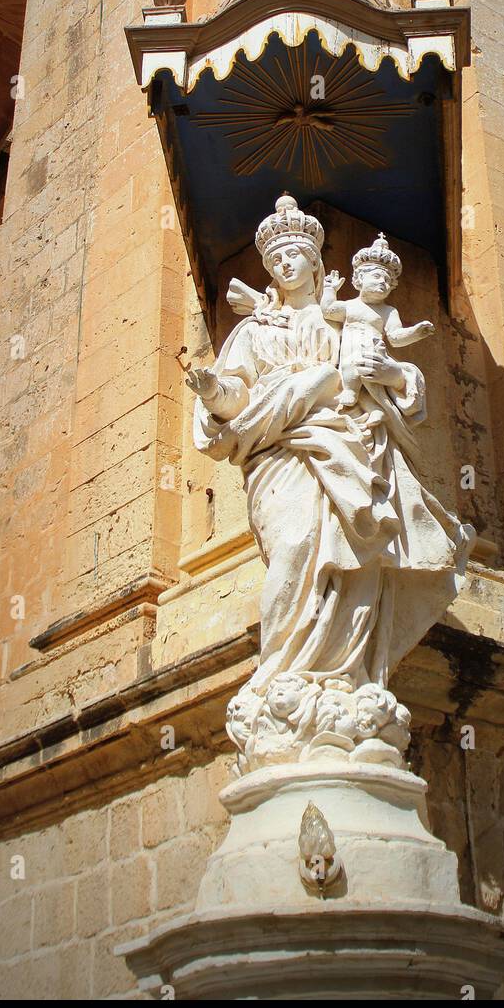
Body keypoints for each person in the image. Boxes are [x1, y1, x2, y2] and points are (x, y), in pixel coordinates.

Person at [185, 194, 475, 703]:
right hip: (278, 454)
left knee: (355, 553)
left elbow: (392, 371)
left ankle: (343, 674)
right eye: (275, 260)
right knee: (294, 545)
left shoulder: (340, 321)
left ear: (316, 262)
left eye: (293, 254)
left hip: (344, 445)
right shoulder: (252, 330)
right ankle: (281, 672)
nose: (284, 263)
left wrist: (389, 373)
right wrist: (213, 391)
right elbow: (238, 397)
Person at [320, 232, 435, 410]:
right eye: (376, 276)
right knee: (351, 368)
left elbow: (395, 338)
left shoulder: (389, 311)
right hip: (351, 347)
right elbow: (328, 310)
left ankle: (376, 411)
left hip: (375, 350)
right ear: (359, 279)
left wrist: (415, 332)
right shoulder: (351, 305)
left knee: (373, 382)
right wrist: (329, 289)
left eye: (388, 280)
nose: (383, 282)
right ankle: (350, 391)